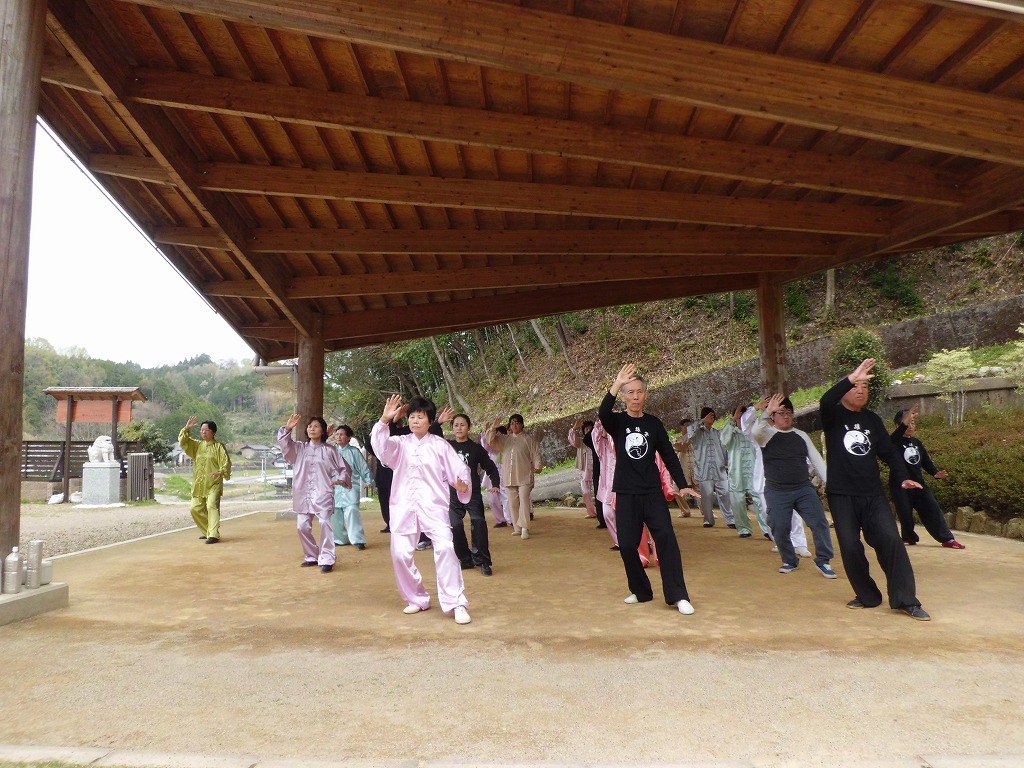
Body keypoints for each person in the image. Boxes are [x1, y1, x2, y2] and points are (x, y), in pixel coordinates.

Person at [820, 358, 931, 620]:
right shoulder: (833, 415)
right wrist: (851, 377)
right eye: (855, 386)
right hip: (842, 495)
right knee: (850, 546)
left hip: (873, 494)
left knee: (891, 540)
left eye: (865, 387)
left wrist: (902, 477)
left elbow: (889, 453)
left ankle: (906, 599)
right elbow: (825, 400)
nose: (861, 390)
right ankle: (867, 595)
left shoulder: (872, 420)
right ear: (844, 390)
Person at [599, 364, 701, 615]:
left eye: (639, 392)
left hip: (652, 492)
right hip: (626, 492)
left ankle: (678, 595)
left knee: (666, 540)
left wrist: (683, 484)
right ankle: (641, 591)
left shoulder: (654, 424)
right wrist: (616, 383)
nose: (635, 397)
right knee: (626, 545)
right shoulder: (618, 422)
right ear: (623, 396)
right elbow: (603, 413)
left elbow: (669, 455)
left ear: (646, 394)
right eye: (630, 392)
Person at [371, 394, 473, 625]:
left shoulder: (440, 445)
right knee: (400, 554)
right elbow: (381, 449)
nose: (415, 420)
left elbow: (458, 469)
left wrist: (462, 484)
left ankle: (456, 602)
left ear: (430, 421)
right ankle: (416, 597)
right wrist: (384, 421)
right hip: (403, 506)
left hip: (433, 506)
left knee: (446, 548)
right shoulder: (400, 443)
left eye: (420, 417)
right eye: (412, 417)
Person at [751, 394, 838, 579]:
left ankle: (824, 560)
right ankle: (790, 559)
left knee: (819, 522)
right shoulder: (766, 435)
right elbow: (756, 431)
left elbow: (817, 460)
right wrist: (767, 411)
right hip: (776, 490)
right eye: (781, 413)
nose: (785, 416)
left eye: (789, 412)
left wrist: (829, 482)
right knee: (779, 526)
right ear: (773, 416)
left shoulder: (801, 435)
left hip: (803, 489)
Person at [278, 415, 352, 573]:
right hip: (302, 493)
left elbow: (344, 468)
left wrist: (341, 479)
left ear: (323, 430)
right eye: (309, 426)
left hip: (323, 492)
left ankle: (327, 558)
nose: (312, 428)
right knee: (302, 526)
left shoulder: (330, 450)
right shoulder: (299, 448)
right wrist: (288, 428)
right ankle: (311, 555)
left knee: (325, 523)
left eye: (316, 426)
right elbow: (285, 445)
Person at [890, 404, 965, 549]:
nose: (911, 426)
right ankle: (908, 537)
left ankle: (947, 539)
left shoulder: (917, 443)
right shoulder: (894, 442)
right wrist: (908, 414)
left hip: (919, 483)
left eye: (913, 422)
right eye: (907, 422)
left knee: (932, 507)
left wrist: (935, 473)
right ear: (898, 425)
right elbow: (895, 437)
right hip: (900, 484)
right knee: (904, 512)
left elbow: (925, 461)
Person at [447, 414, 501, 576]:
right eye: (456, 425)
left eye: (462, 425)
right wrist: (438, 422)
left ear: (468, 427)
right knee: (455, 525)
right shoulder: (447, 447)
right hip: (453, 494)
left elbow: (491, 468)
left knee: (478, 522)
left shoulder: (476, 449)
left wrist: (495, 484)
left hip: (473, 493)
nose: (459, 428)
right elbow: (431, 438)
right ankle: (465, 559)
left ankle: (483, 561)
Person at [484, 414, 542, 539]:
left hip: (525, 476)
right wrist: (493, 428)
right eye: (511, 423)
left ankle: (525, 527)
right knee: (513, 503)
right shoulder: (505, 440)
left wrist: (537, 466)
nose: (514, 426)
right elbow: (490, 441)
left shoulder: (528, 439)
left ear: (522, 424)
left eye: (516, 423)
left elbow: (536, 453)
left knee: (524, 500)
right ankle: (517, 528)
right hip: (509, 477)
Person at [179, 417, 232, 544]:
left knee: (211, 505)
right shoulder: (197, 446)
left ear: (213, 432)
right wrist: (186, 429)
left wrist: (221, 471)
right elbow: (183, 442)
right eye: (202, 430)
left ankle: (213, 534)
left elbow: (226, 462)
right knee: (194, 508)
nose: (203, 432)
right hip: (199, 483)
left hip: (214, 482)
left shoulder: (218, 447)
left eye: (206, 430)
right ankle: (208, 531)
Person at [688, 408, 734, 528]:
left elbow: (724, 448)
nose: (712, 418)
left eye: (713, 416)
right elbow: (690, 431)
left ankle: (730, 520)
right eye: (709, 416)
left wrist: (727, 462)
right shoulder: (697, 433)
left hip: (719, 469)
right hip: (704, 470)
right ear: (704, 417)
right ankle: (708, 520)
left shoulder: (718, 433)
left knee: (725, 493)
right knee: (707, 496)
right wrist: (702, 421)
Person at [331, 425, 374, 551]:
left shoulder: (354, 452)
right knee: (335, 513)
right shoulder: (332, 451)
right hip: (334, 488)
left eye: (342, 434)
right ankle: (340, 539)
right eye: (337, 434)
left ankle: (358, 539)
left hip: (351, 487)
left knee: (352, 511)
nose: (339, 437)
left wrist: (369, 480)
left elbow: (363, 467)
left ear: (349, 437)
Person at [720, 404, 760, 537]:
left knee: (760, 500)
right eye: (739, 417)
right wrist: (733, 420)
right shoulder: (731, 432)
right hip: (737, 472)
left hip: (754, 471)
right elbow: (723, 440)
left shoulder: (754, 431)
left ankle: (767, 530)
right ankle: (744, 529)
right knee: (737, 501)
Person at [480, 424, 512, 527]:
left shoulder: (507, 446)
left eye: (498, 435)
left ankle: (510, 519)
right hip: (492, 478)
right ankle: (500, 520)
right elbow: (485, 445)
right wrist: (485, 433)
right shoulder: (491, 449)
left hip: (505, 475)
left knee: (507, 497)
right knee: (492, 500)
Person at [568, 418, 598, 519]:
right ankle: (592, 512)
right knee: (586, 493)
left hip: (598, 472)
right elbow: (573, 441)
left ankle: (602, 512)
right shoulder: (581, 442)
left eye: (590, 429)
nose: (588, 431)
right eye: (586, 429)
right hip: (585, 472)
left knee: (600, 492)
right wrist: (574, 429)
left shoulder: (598, 441)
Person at [671, 418, 697, 517]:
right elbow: (681, 447)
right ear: (681, 427)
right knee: (676, 490)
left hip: (695, 468)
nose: (689, 428)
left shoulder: (695, 439)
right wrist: (689, 436)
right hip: (683, 469)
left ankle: (707, 512)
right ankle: (685, 511)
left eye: (691, 426)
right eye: (687, 426)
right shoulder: (677, 440)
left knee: (702, 490)